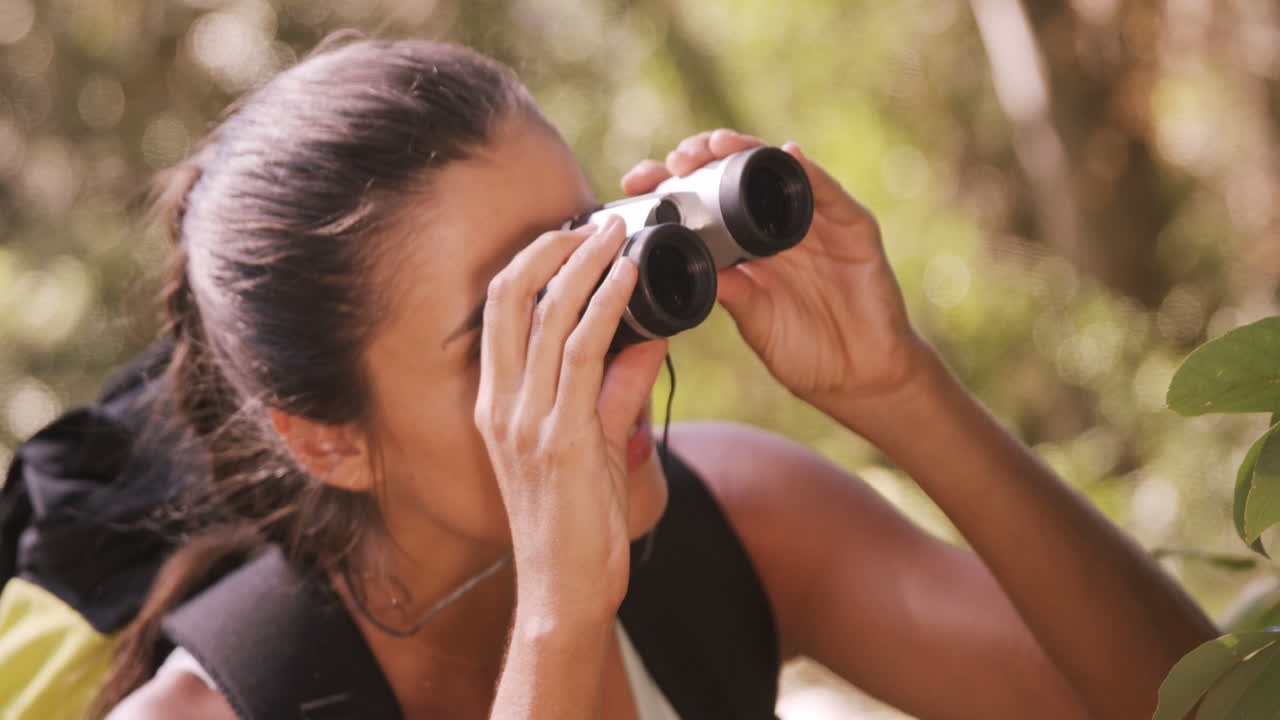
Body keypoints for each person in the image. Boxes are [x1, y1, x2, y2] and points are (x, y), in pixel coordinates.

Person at [82, 35, 1215, 719]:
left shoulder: (742, 521)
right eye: (521, 327)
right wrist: (559, 622)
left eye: (598, 262)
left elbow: (1197, 711)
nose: (611, 342)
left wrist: (899, 392)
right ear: (326, 438)